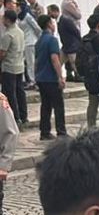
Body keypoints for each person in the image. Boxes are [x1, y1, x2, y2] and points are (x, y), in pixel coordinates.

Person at [33, 13, 66, 141]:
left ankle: (44, 131)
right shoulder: (52, 40)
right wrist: (60, 76)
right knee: (58, 105)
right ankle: (61, 131)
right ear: (48, 24)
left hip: (41, 77)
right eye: (52, 23)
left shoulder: (39, 41)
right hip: (51, 78)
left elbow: (36, 61)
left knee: (45, 105)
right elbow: (54, 58)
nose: (54, 25)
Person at [0, 9, 26, 126]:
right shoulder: (20, 32)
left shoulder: (8, 35)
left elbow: (2, 53)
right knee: (20, 91)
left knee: (10, 93)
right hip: (19, 65)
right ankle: (23, 115)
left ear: (7, 19)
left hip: (9, 67)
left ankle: (15, 117)